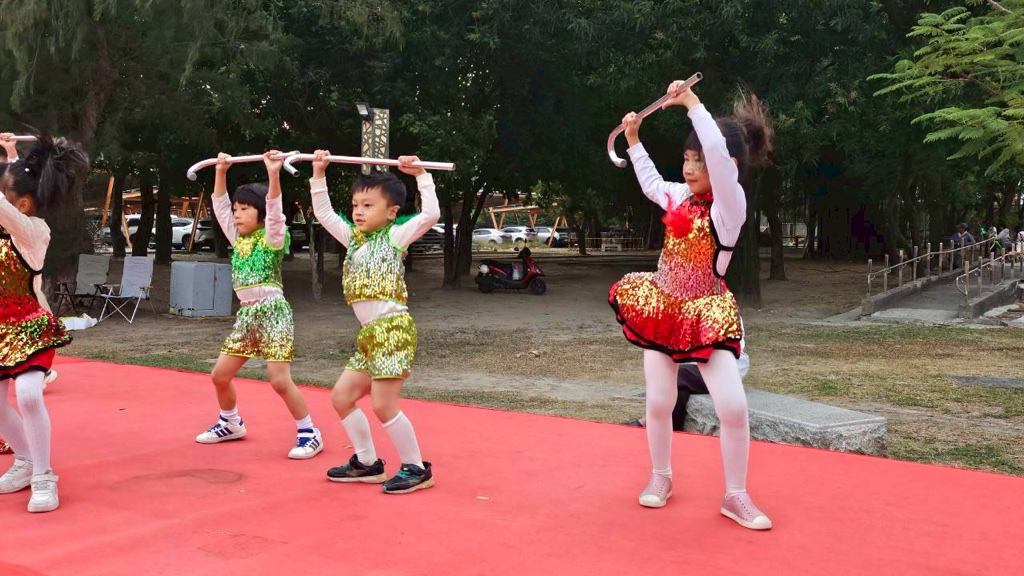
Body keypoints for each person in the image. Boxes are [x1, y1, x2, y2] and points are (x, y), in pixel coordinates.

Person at [609, 82, 774, 529]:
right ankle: (661, 475)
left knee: (733, 407)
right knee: (659, 401)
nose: (689, 168)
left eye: (698, 160)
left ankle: (736, 495)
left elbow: (719, 158)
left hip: (706, 312)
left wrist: (694, 106)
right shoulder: (679, 197)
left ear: (726, 165)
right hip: (662, 306)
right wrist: (634, 140)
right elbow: (651, 184)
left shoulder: (730, 208)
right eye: (686, 158)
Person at [309, 150, 441, 494]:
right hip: (369, 335)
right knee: (341, 397)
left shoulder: (395, 237)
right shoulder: (353, 239)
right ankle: (367, 463)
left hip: (393, 331)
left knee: (383, 404)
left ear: (391, 212)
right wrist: (318, 173)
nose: (358, 211)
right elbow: (324, 213)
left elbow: (431, 214)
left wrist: (421, 174)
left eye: (368, 205)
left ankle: (416, 468)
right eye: (356, 205)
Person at [194, 151, 323, 460]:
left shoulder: (273, 237)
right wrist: (221, 171)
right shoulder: (237, 238)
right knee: (219, 376)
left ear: (260, 213)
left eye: (245, 209)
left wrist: (274, 174)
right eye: (236, 209)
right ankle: (231, 422)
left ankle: (310, 433)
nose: (237, 215)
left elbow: (276, 211)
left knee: (279, 380)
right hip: (247, 316)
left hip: (273, 314)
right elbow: (219, 205)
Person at [0, 132, 89, 512]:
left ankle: (43, 475)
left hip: (30, 326)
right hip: (0, 329)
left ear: (22, 204)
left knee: (29, 395)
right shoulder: (10, 221)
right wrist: (11, 153)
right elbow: (10, 189)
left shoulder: (34, 232)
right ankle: (24, 460)